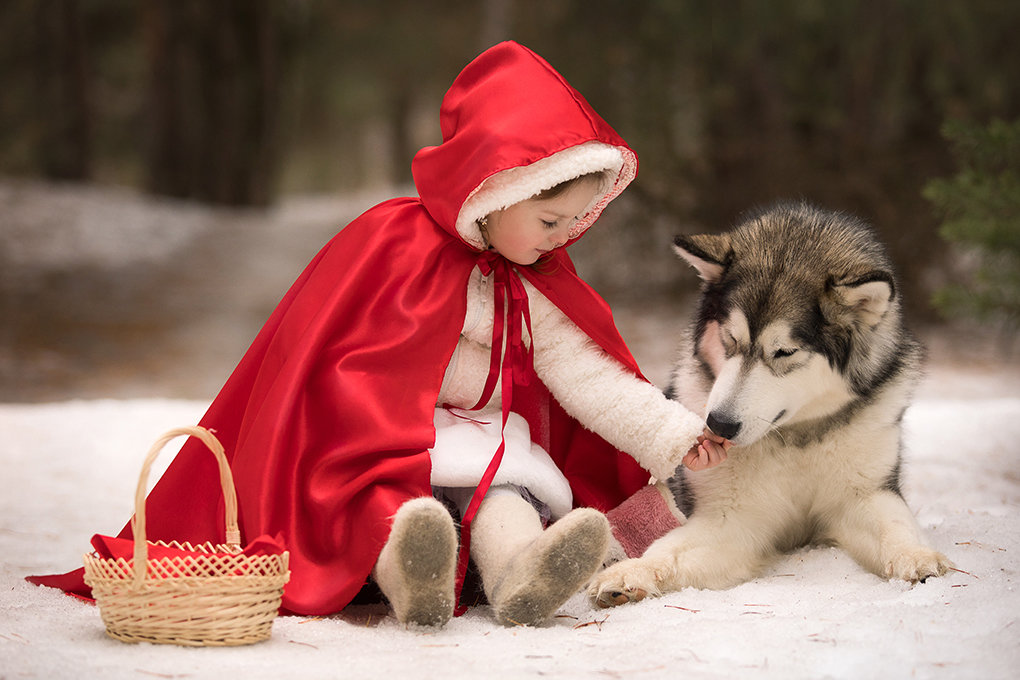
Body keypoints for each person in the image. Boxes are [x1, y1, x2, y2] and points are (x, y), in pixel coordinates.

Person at [28, 41, 729, 628]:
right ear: (498, 188)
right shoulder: (394, 245)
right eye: (552, 220)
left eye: (578, 221)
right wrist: (368, 428)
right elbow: (336, 360)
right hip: (394, 443)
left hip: (489, 444)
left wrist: (672, 434)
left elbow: (589, 378)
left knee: (506, 496)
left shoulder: (535, 284)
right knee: (383, 500)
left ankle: (522, 576)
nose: (566, 237)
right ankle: (410, 573)